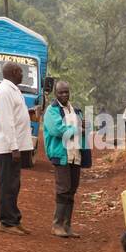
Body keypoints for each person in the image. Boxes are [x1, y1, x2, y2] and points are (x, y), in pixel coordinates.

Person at [0, 62, 34, 235]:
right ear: (14, 72)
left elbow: (14, 115)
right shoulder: (4, 91)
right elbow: (7, 122)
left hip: (15, 146)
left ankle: (14, 219)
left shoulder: (13, 89)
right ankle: (6, 222)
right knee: (8, 184)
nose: (23, 74)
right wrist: (14, 148)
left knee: (14, 184)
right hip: (8, 148)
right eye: (21, 71)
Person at [43, 80, 91, 238]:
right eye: (61, 92)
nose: (64, 95)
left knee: (71, 189)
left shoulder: (75, 110)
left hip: (75, 155)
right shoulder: (52, 110)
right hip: (61, 154)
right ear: (55, 94)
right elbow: (57, 130)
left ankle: (67, 225)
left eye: (66, 92)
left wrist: (84, 126)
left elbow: (82, 130)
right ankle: (56, 225)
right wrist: (78, 128)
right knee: (63, 189)